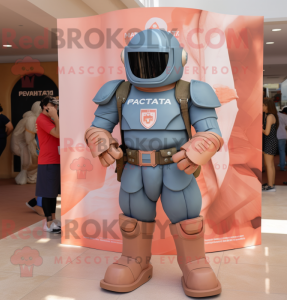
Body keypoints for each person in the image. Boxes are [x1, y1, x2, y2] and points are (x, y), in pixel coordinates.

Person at [85, 29, 223, 297]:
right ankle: (134, 261)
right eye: (140, 58)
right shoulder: (118, 91)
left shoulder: (192, 91)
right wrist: (100, 140)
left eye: (154, 58)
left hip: (177, 170)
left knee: (187, 219)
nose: (147, 64)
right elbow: (97, 127)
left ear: (179, 58)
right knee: (133, 219)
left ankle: (194, 263)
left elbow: (212, 133)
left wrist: (201, 145)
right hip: (135, 169)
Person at [35, 96, 61, 233]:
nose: (55, 108)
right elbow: (58, 133)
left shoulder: (50, 119)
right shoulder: (42, 119)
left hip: (56, 159)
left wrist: (55, 117)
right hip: (47, 161)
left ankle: (53, 219)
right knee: (47, 192)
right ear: (45, 106)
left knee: (53, 193)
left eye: (56, 105)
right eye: (52, 105)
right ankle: (48, 222)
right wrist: (56, 116)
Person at [262, 98, 279, 191]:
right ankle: (271, 184)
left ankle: (270, 185)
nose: (262, 107)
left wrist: (260, 129)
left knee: (268, 164)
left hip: (269, 141)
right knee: (271, 164)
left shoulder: (269, 116)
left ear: (267, 106)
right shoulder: (271, 116)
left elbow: (267, 132)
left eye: (263, 105)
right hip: (272, 141)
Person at [277, 107, 287, 171]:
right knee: (282, 151)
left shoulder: (276, 114)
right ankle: (282, 166)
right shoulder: (285, 116)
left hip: (275, 135)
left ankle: (281, 163)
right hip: (283, 135)